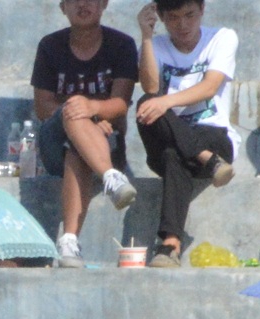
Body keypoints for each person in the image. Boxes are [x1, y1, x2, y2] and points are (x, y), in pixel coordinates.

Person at [34, 0, 139, 265]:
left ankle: (69, 241)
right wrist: (89, 115)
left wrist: (92, 109)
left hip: (102, 142)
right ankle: (110, 176)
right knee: (72, 111)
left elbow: (120, 104)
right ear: (62, 7)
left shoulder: (122, 45)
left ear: (104, 4)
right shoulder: (49, 46)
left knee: (77, 147)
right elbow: (43, 107)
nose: (83, 4)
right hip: (53, 142)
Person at [133, 0, 234, 266]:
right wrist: (146, 37)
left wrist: (166, 102)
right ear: (163, 18)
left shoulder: (222, 38)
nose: (183, 25)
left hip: (214, 138)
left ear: (202, 10)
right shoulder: (154, 47)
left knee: (171, 155)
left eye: (190, 15)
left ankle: (170, 244)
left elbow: (210, 87)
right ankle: (206, 159)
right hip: (202, 154)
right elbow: (151, 86)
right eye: (174, 18)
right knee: (145, 103)